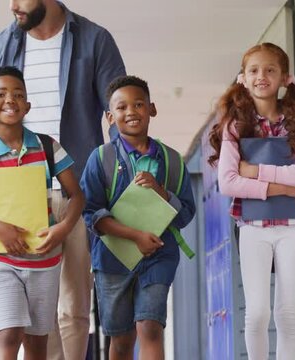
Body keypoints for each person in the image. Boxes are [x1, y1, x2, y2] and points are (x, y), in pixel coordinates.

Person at [0, 2, 125, 357]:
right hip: (18, 195)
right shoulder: (2, 45)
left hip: (76, 189)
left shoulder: (94, 40)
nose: (13, 6)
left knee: (74, 306)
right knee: (41, 314)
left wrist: (120, 178)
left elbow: (119, 111)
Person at [0, 66, 84, 360]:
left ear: (27, 104)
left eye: (18, 95)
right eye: (0, 94)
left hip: (44, 256)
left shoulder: (47, 147)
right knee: (8, 334)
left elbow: (77, 195)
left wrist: (63, 228)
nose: (10, 100)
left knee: (37, 342)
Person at [208, 42, 295, 360]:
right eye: (254, 70)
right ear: (243, 77)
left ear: (284, 77)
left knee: (287, 314)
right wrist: (278, 187)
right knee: (256, 313)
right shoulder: (236, 126)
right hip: (253, 228)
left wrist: (255, 171)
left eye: (270, 70)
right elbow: (228, 182)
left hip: (292, 228)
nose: (261, 76)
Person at [80, 75, 196, 359]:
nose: (131, 112)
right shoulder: (101, 158)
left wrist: (161, 192)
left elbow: (185, 213)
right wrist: (134, 236)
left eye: (139, 104)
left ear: (152, 109)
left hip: (159, 254)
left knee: (150, 326)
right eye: (121, 107)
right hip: (112, 258)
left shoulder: (171, 160)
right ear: (110, 116)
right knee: (121, 339)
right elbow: (90, 213)